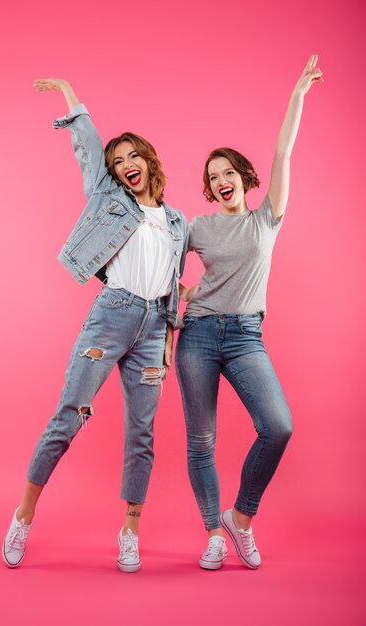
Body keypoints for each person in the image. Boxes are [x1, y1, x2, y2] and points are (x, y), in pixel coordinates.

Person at [2, 79, 188, 573]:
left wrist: (168, 344)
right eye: (118, 160)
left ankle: (129, 530)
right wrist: (68, 92)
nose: (127, 164)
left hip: (153, 330)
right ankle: (24, 513)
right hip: (113, 316)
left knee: (142, 432)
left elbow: (173, 285)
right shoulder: (110, 198)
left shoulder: (176, 221)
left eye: (133, 156)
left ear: (149, 160)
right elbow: (87, 147)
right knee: (70, 414)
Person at [175, 55, 323, 570]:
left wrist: (297, 96)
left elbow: (283, 152)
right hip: (195, 336)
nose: (220, 181)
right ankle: (213, 532)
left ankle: (241, 519)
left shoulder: (266, 220)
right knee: (201, 441)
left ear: (243, 176)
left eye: (227, 172)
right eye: (212, 177)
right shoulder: (198, 227)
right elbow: (162, 265)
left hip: (244, 337)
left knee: (277, 426)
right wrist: (184, 296)